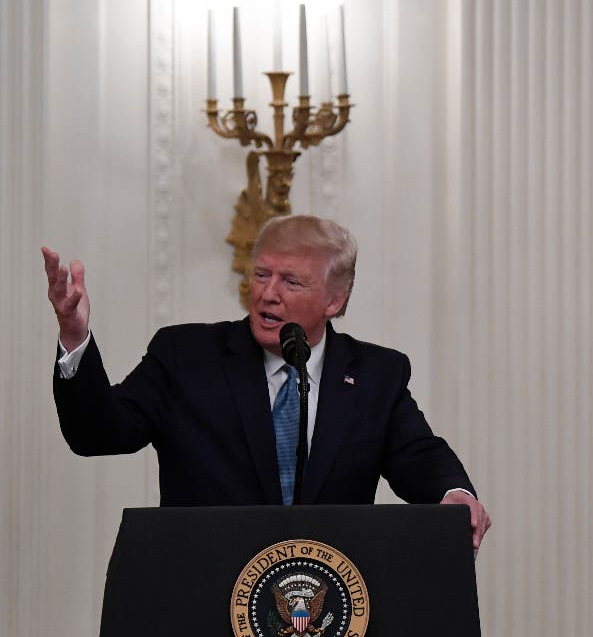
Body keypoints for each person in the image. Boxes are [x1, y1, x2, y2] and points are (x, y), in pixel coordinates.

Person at [43, 214, 491, 552]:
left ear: (335, 300)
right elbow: (98, 433)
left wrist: (454, 494)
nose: (267, 293)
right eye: (261, 274)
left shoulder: (377, 374)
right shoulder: (186, 356)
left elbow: (417, 453)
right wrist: (75, 335)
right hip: (205, 596)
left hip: (326, 604)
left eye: (291, 281)